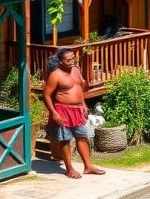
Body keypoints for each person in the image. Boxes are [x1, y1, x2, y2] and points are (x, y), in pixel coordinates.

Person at [43, 48, 104, 179]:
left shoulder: (76, 70)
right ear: (60, 61)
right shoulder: (55, 75)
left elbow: (80, 88)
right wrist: (53, 113)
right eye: (68, 60)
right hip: (63, 110)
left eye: (73, 58)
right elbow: (46, 95)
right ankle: (69, 169)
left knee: (82, 136)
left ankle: (88, 166)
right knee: (65, 140)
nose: (72, 62)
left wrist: (83, 104)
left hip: (78, 110)